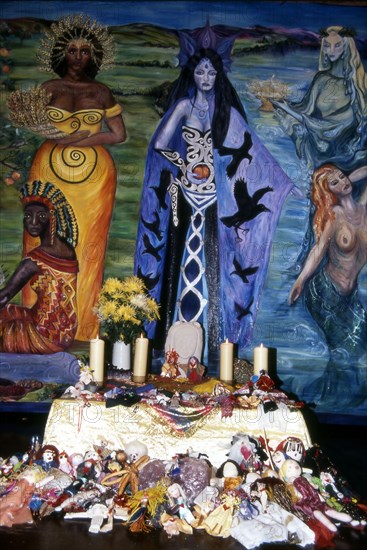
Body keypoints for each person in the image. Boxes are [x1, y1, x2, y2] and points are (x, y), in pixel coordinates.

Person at [134, 24, 293, 364]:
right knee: (178, 262)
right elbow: (159, 145)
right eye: (200, 71)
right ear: (192, 73)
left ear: (218, 75)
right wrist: (181, 164)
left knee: (215, 263)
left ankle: (212, 349)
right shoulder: (183, 108)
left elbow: (254, 156)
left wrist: (280, 185)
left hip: (216, 199)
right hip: (186, 193)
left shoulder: (229, 113)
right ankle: (172, 348)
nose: (205, 77)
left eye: (210, 71)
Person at [21, 14, 126, 341]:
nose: (78, 56)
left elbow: (118, 135)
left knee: (88, 245)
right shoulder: (48, 88)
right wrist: (61, 137)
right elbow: (32, 122)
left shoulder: (101, 91)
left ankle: (82, 327)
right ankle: (38, 321)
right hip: (48, 169)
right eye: (72, 50)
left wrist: (81, 139)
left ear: (94, 56)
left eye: (84, 51)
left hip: (94, 176)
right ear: (60, 54)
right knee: (41, 238)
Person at [289, 164, 367, 402]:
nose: (342, 182)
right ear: (328, 193)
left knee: (356, 349)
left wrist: (343, 179)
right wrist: (301, 280)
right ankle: (334, 398)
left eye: (342, 176)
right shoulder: (334, 215)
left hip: (349, 297)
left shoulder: (364, 207)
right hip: (324, 294)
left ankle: (340, 396)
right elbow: (319, 248)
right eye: (334, 183)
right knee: (346, 351)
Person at [274, 26, 367, 173]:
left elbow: (356, 122)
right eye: (327, 46)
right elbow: (306, 110)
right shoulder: (321, 79)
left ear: (347, 48)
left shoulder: (358, 83)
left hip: (346, 152)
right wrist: (283, 105)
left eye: (337, 46)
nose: (331, 51)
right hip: (318, 143)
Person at [0, 180, 79, 354]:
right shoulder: (68, 250)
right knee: (10, 312)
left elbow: (4, 296)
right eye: (28, 216)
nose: (33, 222)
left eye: (41, 216)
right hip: (65, 332)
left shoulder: (35, 259)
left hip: (45, 336)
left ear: (53, 218)